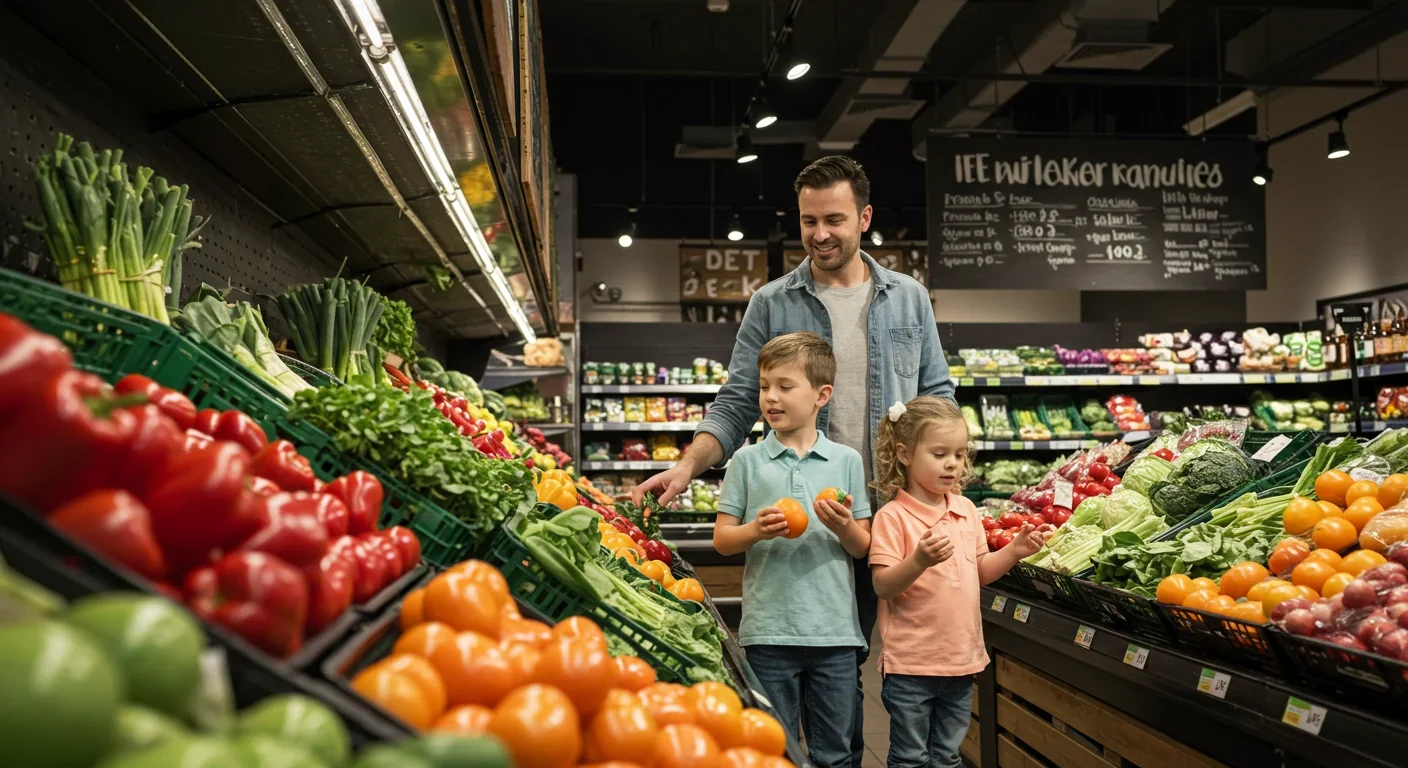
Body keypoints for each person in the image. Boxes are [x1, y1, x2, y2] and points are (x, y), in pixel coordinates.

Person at [634, 155, 955, 761]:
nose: (820, 234)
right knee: (833, 669)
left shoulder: (909, 299)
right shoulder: (772, 303)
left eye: (834, 219)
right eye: (809, 221)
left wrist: (946, 487)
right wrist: (685, 466)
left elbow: (937, 397)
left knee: (895, 672)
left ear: (864, 217)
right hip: (809, 529)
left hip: (891, 518)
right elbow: (734, 402)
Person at [711, 331, 871, 768]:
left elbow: (862, 548)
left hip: (835, 633)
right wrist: (756, 531)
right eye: (764, 386)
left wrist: (844, 528)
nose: (770, 397)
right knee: (772, 749)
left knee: (835, 753)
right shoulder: (746, 461)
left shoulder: (847, 461)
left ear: (822, 395)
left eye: (785, 386)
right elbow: (723, 540)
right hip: (767, 632)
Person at [868, 396, 1049, 768]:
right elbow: (883, 585)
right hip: (911, 665)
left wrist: (1014, 551)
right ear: (904, 454)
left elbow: (979, 570)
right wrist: (919, 560)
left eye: (960, 454)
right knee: (910, 757)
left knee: (948, 755)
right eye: (939, 454)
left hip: (962, 660)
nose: (952, 463)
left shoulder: (965, 509)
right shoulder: (893, 517)